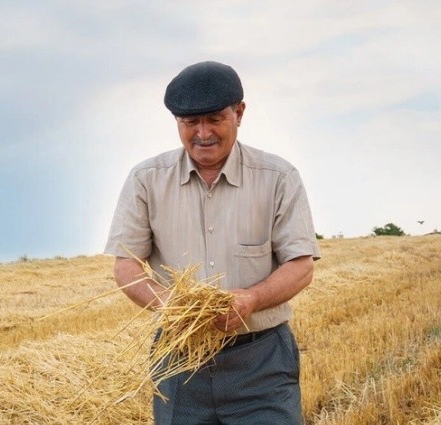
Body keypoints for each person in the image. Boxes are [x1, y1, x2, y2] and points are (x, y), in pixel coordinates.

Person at [105, 60, 321, 425]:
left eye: (215, 119)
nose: (203, 133)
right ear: (177, 122)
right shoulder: (146, 180)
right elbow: (125, 266)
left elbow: (301, 266)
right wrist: (174, 306)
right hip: (180, 360)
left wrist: (250, 299)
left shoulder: (278, 177)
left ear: (239, 113)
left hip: (261, 361)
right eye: (191, 123)